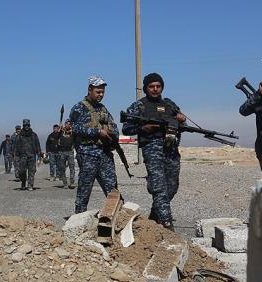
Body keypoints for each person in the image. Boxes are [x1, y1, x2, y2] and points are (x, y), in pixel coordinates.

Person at [122, 73, 185, 230]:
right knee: (159, 187)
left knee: (172, 186)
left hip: (170, 148)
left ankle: (154, 216)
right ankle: (167, 224)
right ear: (145, 88)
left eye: (158, 86)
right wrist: (142, 128)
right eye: (151, 86)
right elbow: (126, 128)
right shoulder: (139, 106)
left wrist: (180, 120)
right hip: (152, 147)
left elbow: (179, 125)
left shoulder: (169, 105)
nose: (155, 89)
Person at [70, 75, 119, 213]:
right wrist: (97, 132)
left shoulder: (103, 109)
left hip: (104, 154)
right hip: (87, 155)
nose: (101, 95)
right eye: (98, 92)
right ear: (89, 89)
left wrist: (111, 133)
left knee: (113, 190)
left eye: (103, 92)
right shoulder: (79, 108)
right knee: (84, 191)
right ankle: (79, 220)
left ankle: (117, 218)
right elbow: (75, 128)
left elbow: (114, 126)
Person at [14, 119, 41, 190]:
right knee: (22, 171)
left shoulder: (34, 135)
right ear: (23, 126)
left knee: (32, 171)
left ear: (30, 125)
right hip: (22, 156)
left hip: (32, 156)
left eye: (28, 125)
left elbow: (37, 145)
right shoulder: (19, 136)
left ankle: (30, 185)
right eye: (25, 125)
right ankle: (23, 182)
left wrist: (39, 153)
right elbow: (16, 146)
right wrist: (16, 156)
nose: (26, 127)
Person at [57, 119, 76, 189]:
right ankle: (65, 183)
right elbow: (56, 135)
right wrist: (59, 128)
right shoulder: (61, 131)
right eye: (66, 124)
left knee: (72, 167)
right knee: (62, 168)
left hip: (70, 152)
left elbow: (77, 140)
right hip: (62, 152)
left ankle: (72, 183)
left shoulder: (73, 132)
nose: (67, 125)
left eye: (69, 124)